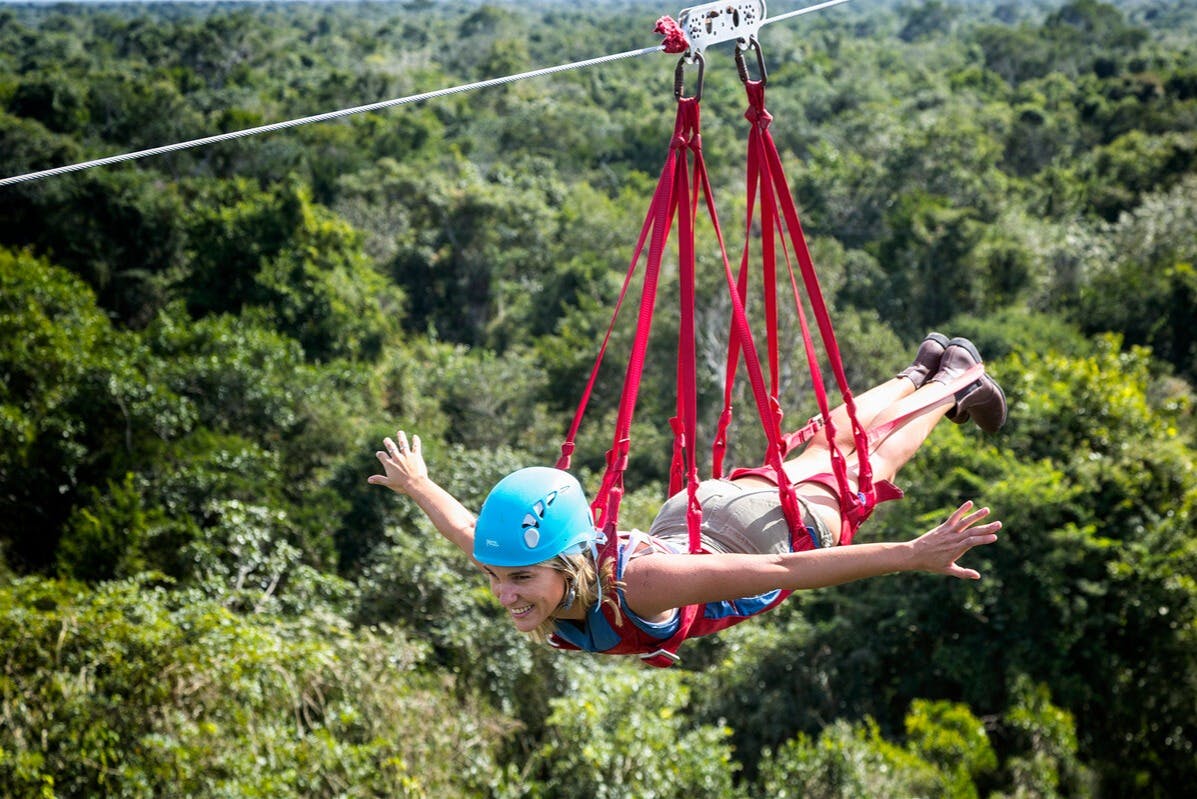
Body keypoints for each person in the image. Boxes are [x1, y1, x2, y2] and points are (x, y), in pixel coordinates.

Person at [368, 334, 1007, 666]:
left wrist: (911, 553)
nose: (507, 594)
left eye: (521, 580)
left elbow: (785, 571)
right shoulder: (548, 566)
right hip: (696, 510)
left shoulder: (638, 585)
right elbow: (471, 531)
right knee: (814, 458)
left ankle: (954, 384)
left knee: (863, 469)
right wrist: (421, 485)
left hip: (763, 533)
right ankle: (920, 372)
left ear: (565, 564)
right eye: (499, 579)